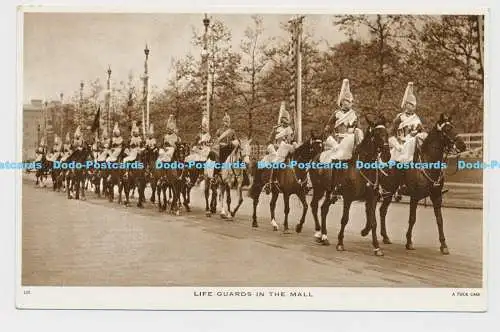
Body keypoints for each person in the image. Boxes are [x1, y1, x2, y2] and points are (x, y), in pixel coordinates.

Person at [320, 78, 363, 163]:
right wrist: (333, 143)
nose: (350, 103)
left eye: (351, 101)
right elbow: (326, 131)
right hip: (337, 143)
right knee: (331, 162)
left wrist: (359, 137)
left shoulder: (355, 115)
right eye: (347, 101)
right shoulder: (336, 114)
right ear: (342, 101)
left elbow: (359, 130)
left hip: (351, 144)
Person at [388, 82, 426, 163]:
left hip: (414, 147)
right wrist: (397, 145)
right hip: (400, 146)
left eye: (414, 105)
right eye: (411, 104)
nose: (413, 107)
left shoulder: (416, 118)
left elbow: (423, 132)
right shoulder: (400, 117)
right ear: (406, 105)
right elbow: (391, 133)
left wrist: (420, 135)